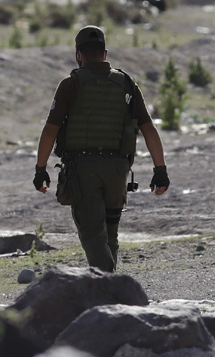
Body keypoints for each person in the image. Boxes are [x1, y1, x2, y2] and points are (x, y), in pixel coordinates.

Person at [34, 26, 168, 272]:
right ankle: (111, 291)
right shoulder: (127, 83)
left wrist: (40, 168)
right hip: (118, 170)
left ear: (78, 54)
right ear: (105, 54)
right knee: (110, 233)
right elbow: (149, 129)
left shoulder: (70, 84)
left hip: (83, 170)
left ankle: (108, 285)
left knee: (93, 234)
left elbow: (51, 130)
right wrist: (160, 170)